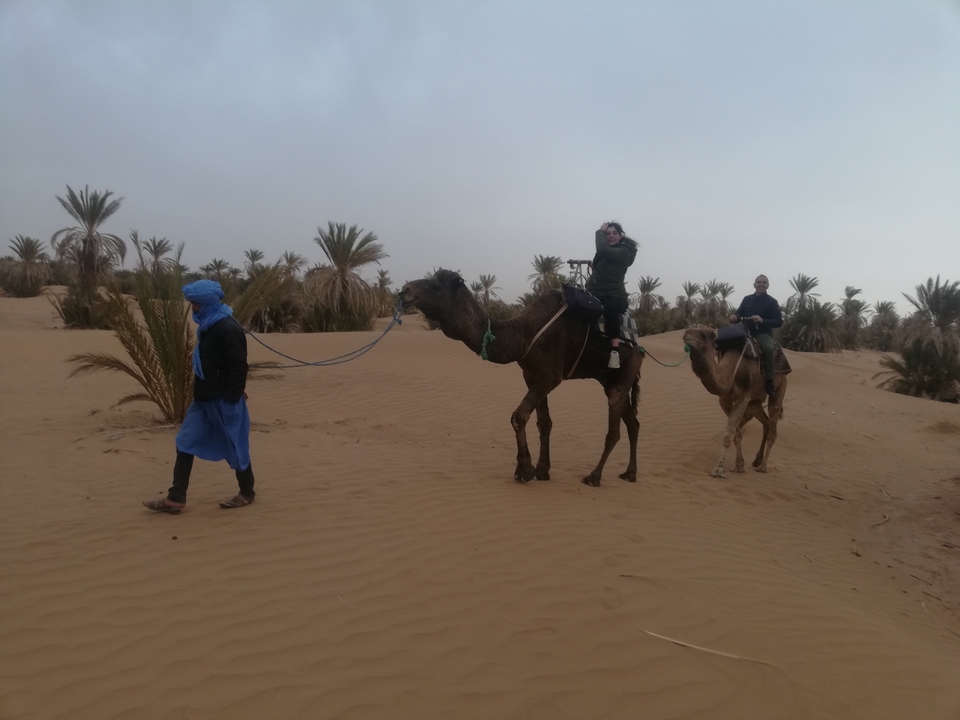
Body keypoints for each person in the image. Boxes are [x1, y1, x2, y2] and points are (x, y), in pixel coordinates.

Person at [143, 279, 256, 514]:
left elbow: (238, 366)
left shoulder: (228, 328)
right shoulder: (209, 326)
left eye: (195, 304)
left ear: (206, 303)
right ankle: (176, 498)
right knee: (185, 442)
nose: (192, 308)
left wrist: (232, 397)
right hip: (203, 398)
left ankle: (247, 492)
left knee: (236, 447)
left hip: (223, 400)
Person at [586, 221, 638, 369]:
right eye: (607, 234)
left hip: (616, 296)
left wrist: (599, 232)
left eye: (614, 233)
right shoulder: (605, 254)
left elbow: (602, 250)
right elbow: (598, 257)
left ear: (620, 236)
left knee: (609, 308)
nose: (610, 236)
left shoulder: (623, 252)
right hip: (596, 294)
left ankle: (614, 351)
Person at [729, 275, 783, 397]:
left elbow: (778, 321)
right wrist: (734, 318)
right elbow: (738, 314)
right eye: (759, 282)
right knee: (725, 343)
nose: (761, 284)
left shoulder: (772, 302)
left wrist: (762, 320)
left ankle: (769, 382)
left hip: (762, 334)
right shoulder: (747, 299)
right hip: (744, 332)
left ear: (767, 286)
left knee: (769, 349)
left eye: (764, 283)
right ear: (754, 285)